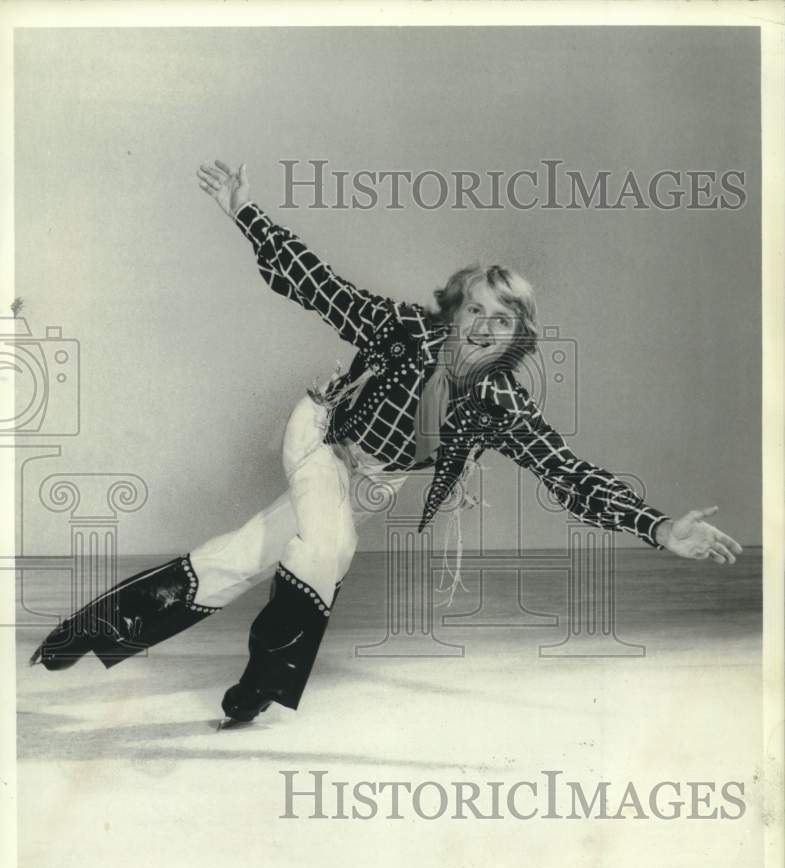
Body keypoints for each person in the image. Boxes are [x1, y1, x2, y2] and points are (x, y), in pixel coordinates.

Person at [30, 159, 744, 726]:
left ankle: (85, 633)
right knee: (329, 549)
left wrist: (656, 526)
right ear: (456, 312)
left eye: (502, 320)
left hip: (373, 482)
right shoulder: (403, 330)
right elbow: (321, 288)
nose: (483, 326)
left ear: (516, 336)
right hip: (320, 438)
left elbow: (566, 472)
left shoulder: (499, 404)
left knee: (240, 558)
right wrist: (244, 209)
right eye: (475, 310)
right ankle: (258, 686)